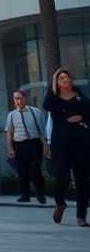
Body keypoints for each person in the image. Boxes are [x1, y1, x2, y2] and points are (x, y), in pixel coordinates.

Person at [43, 68, 90, 226]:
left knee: (82, 180)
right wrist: (53, 87)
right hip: (60, 144)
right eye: (61, 78)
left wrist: (81, 116)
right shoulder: (53, 99)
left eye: (67, 77)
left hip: (80, 143)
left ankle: (81, 216)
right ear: (56, 82)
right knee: (62, 178)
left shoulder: (80, 96)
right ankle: (60, 203)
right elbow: (46, 105)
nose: (65, 80)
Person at [4, 89, 47, 204]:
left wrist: (45, 145)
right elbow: (9, 133)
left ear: (24, 99)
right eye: (15, 99)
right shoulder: (12, 115)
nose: (17, 101)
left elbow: (42, 130)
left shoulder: (36, 112)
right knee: (22, 171)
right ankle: (25, 194)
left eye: (19, 98)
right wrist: (10, 148)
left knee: (35, 170)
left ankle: (40, 194)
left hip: (34, 143)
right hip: (19, 144)